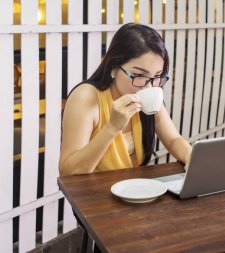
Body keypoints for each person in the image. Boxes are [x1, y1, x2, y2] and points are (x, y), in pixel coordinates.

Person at [59, 23, 192, 176]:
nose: (148, 86)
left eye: (157, 76)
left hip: (135, 190)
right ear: (113, 68)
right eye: (139, 75)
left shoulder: (149, 91)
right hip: (93, 194)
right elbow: (68, 171)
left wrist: (191, 157)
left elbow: (173, 139)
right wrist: (112, 127)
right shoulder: (86, 97)